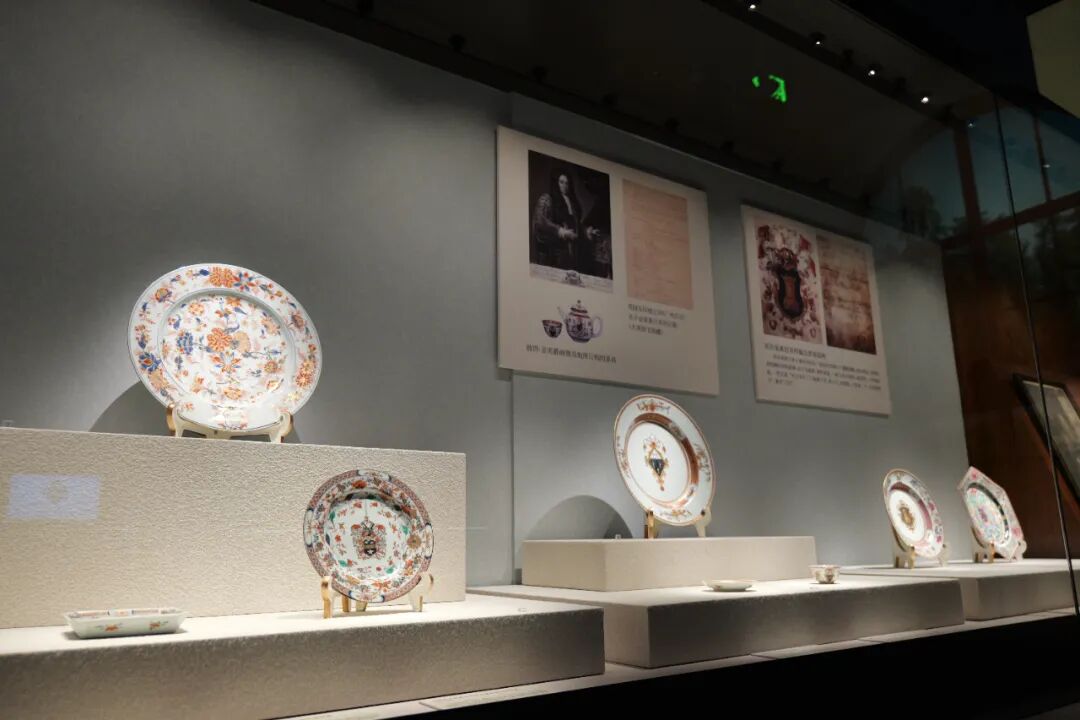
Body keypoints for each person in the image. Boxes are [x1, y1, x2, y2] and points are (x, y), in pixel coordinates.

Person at [531, 169, 601, 273]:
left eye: (567, 183)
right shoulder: (547, 198)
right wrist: (561, 231)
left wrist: (587, 231)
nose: (564, 186)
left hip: (572, 251)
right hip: (555, 251)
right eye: (561, 182)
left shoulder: (573, 202)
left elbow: (576, 225)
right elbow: (540, 221)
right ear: (556, 183)